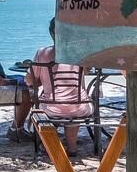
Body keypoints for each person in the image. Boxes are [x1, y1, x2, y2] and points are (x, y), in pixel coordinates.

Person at [28, 19, 93, 157]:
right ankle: (72, 147)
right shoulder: (81, 52)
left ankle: (50, 143)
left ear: (51, 33)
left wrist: (40, 80)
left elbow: (30, 80)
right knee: (73, 101)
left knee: (47, 104)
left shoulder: (42, 53)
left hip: (52, 108)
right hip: (80, 107)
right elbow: (87, 70)